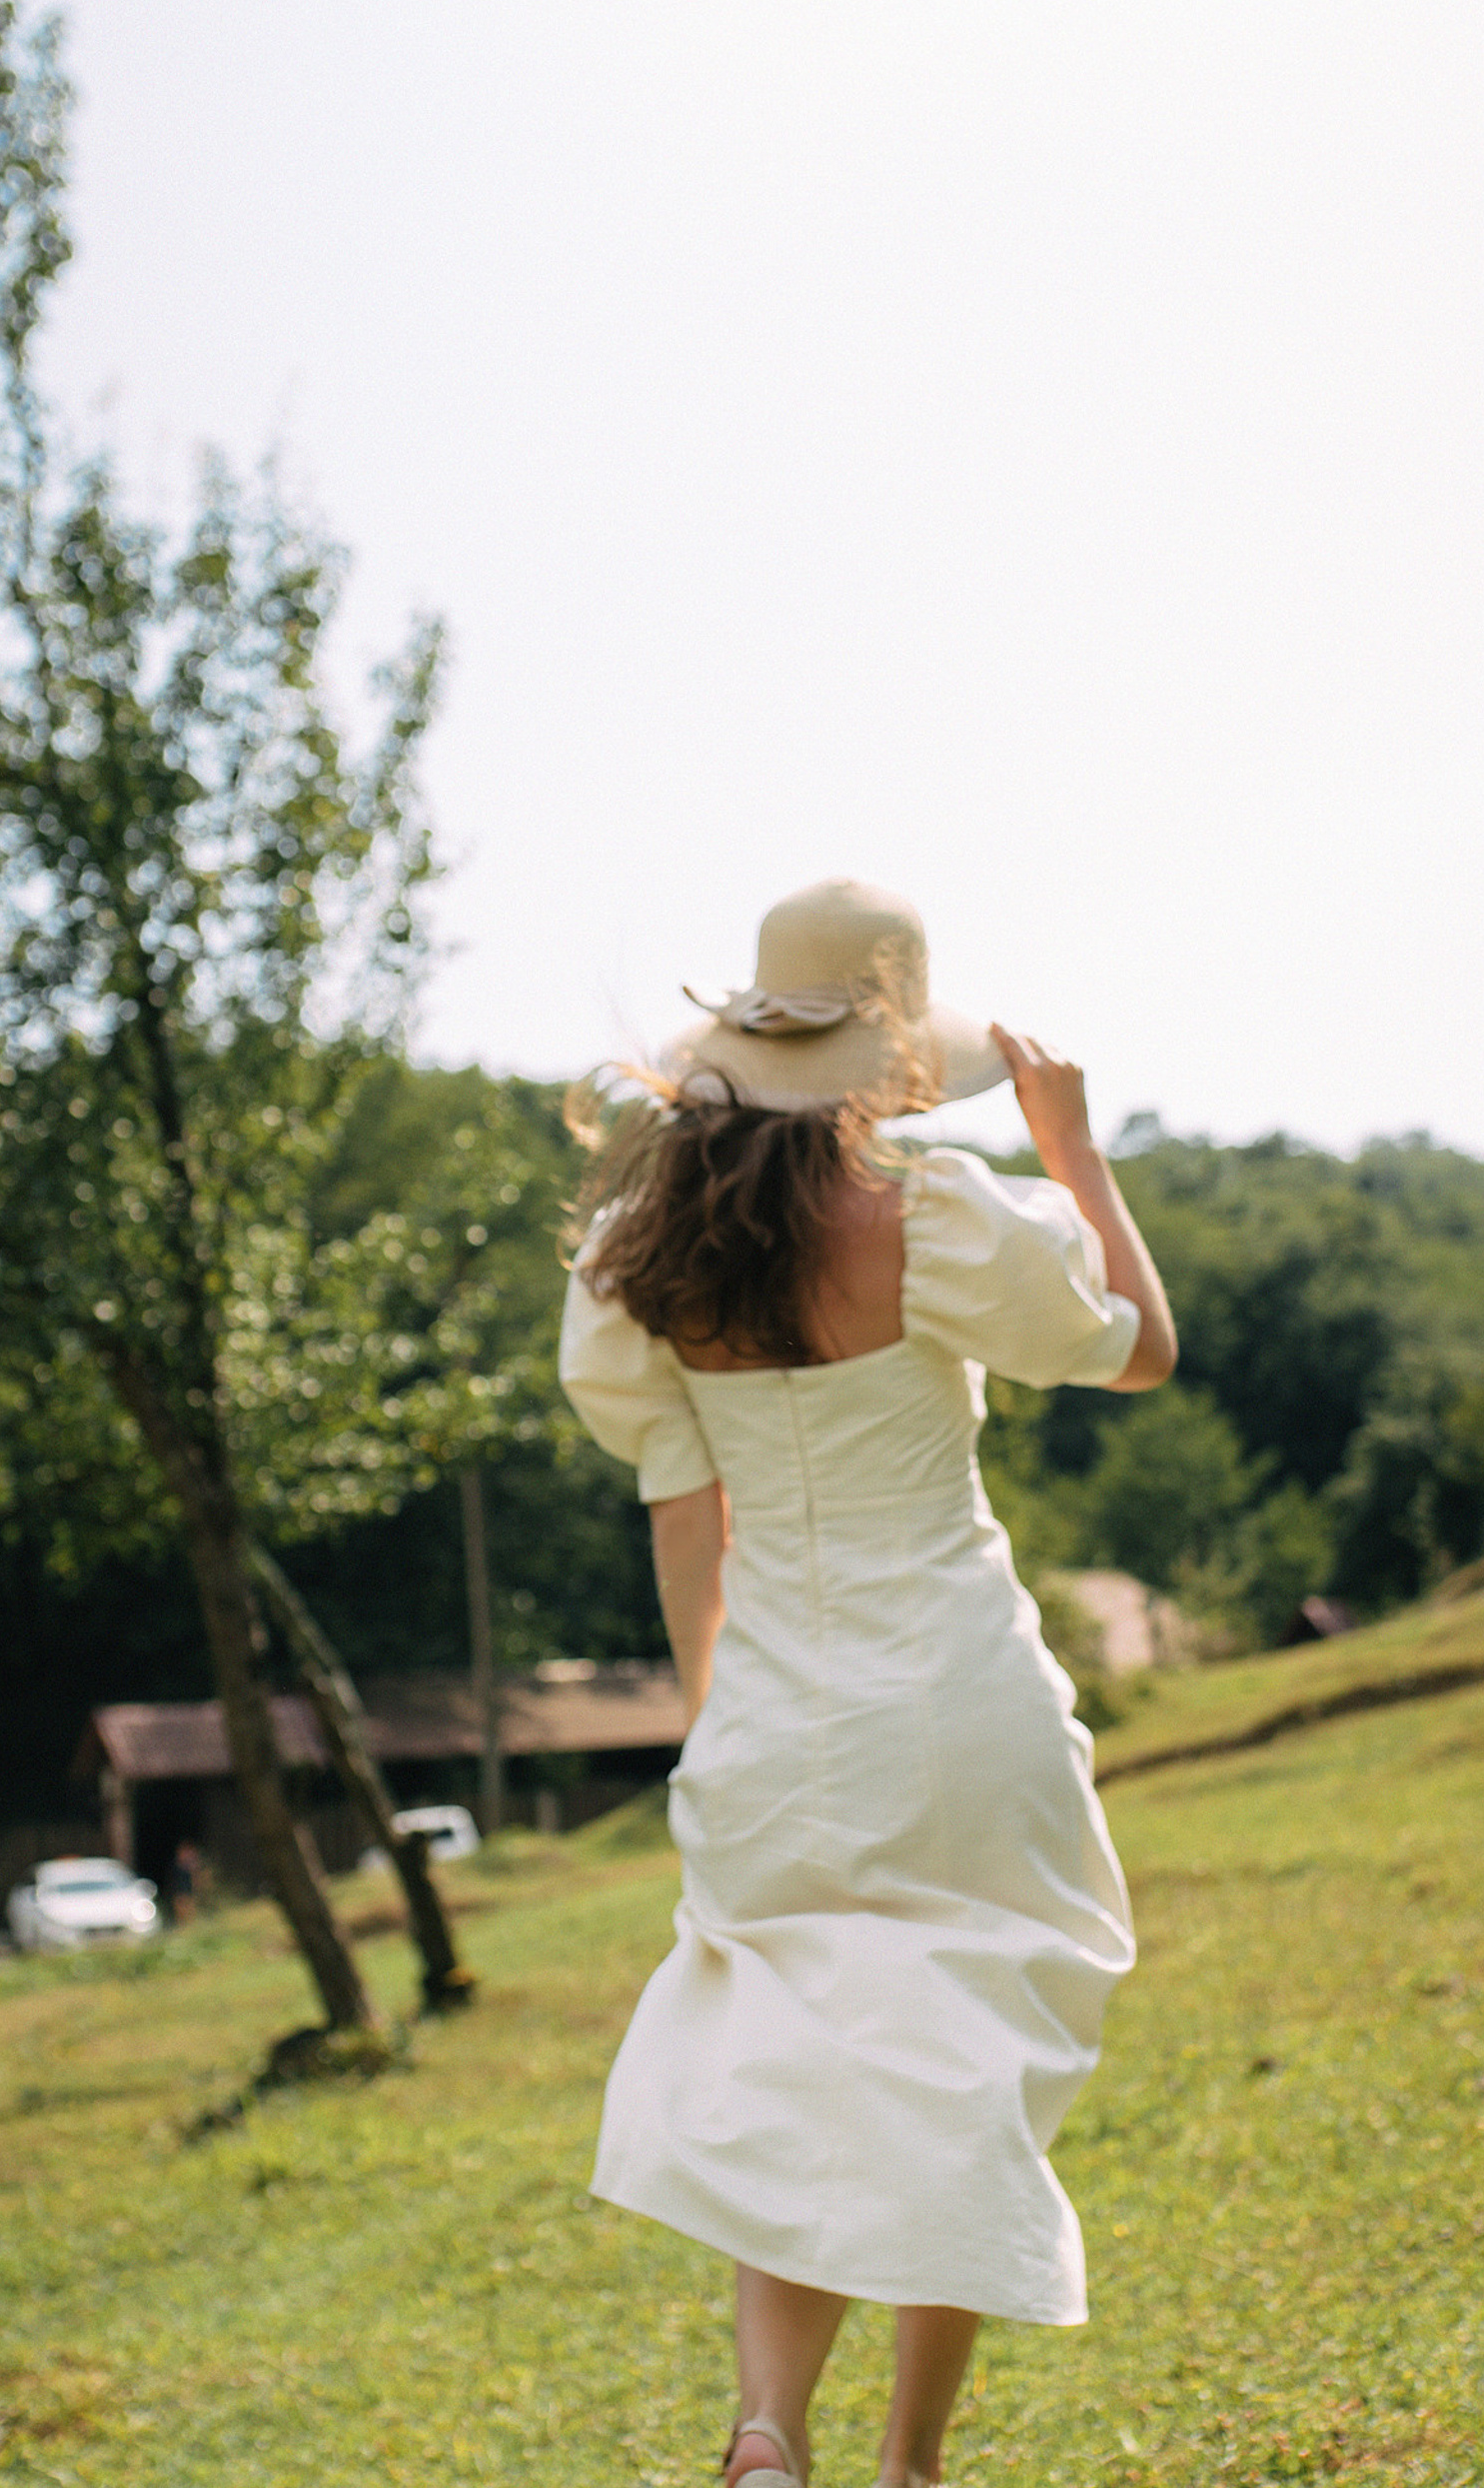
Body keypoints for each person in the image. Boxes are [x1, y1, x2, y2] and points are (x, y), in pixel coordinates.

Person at [559, 880, 1178, 2488]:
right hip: (957, 1703)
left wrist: (718, 1723)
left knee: (800, 2075)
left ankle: (770, 2437)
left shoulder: (643, 1267)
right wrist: (1077, 1153)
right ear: (893, 1061)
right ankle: (910, 2463)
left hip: (777, 1714)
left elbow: (687, 1526)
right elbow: (1141, 1348)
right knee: (954, 2071)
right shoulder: (940, 1217)